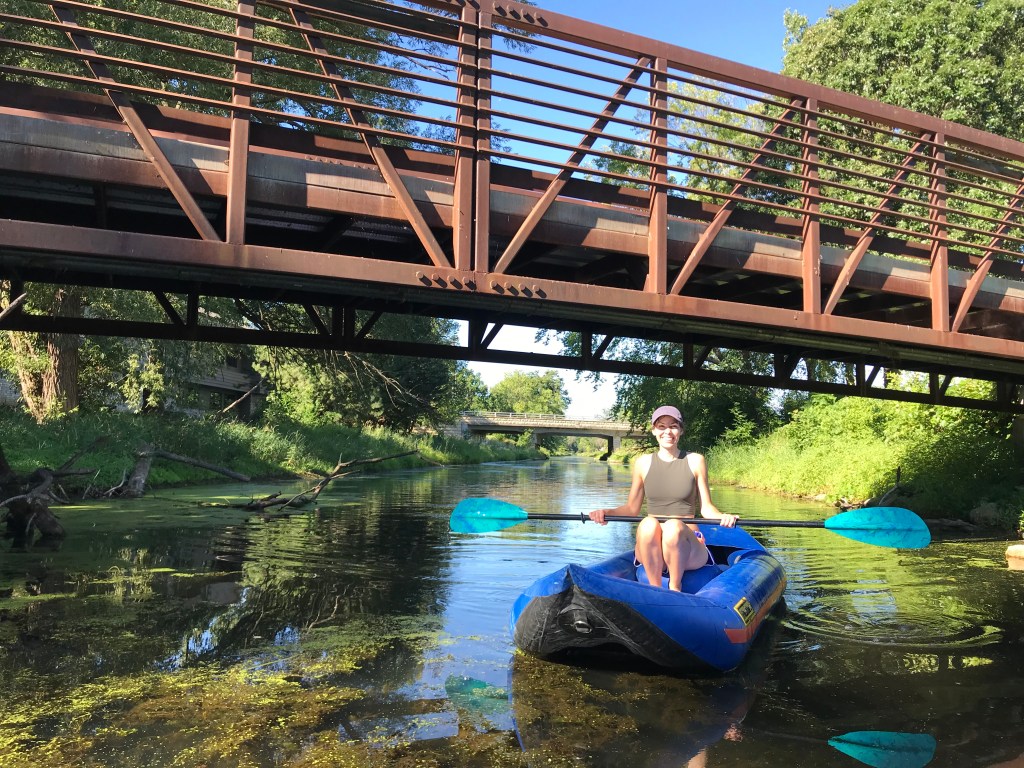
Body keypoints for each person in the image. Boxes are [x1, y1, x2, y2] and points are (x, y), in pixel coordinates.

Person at [588, 405, 738, 591]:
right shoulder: (643, 463)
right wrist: (606, 512)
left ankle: (675, 586)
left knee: (673, 526)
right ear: (654, 430)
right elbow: (632, 509)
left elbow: (706, 508)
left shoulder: (695, 460)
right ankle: (655, 589)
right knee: (648, 523)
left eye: (673, 426)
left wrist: (722, 516)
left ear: (681, 430)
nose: (668, 432)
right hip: (652, 546)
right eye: (661, 426)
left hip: (688, 547)